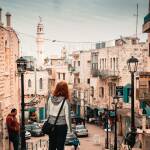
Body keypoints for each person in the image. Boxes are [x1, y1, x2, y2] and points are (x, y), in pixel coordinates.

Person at [47, 81, 72, 150]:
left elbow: (48, 113)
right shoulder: (66, 101)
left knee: (51, 145)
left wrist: (50, 122)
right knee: (60, 146)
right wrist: (70, 130)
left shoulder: (50, 99)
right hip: (62, 127)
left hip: (51, 125)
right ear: (66, 90)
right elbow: (67, 117)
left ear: (56, 88)